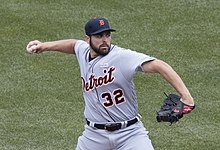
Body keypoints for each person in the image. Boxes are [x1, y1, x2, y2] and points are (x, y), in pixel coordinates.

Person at [27, 17, 195, 150]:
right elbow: (73, 45)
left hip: (130, 134)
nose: (105, 40)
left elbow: (160, 65)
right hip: (94, 136)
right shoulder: (83, 51)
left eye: (107, 35)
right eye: (99, 36)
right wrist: (44, 46)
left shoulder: (121, 57)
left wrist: (186, 97)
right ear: (88, 39)